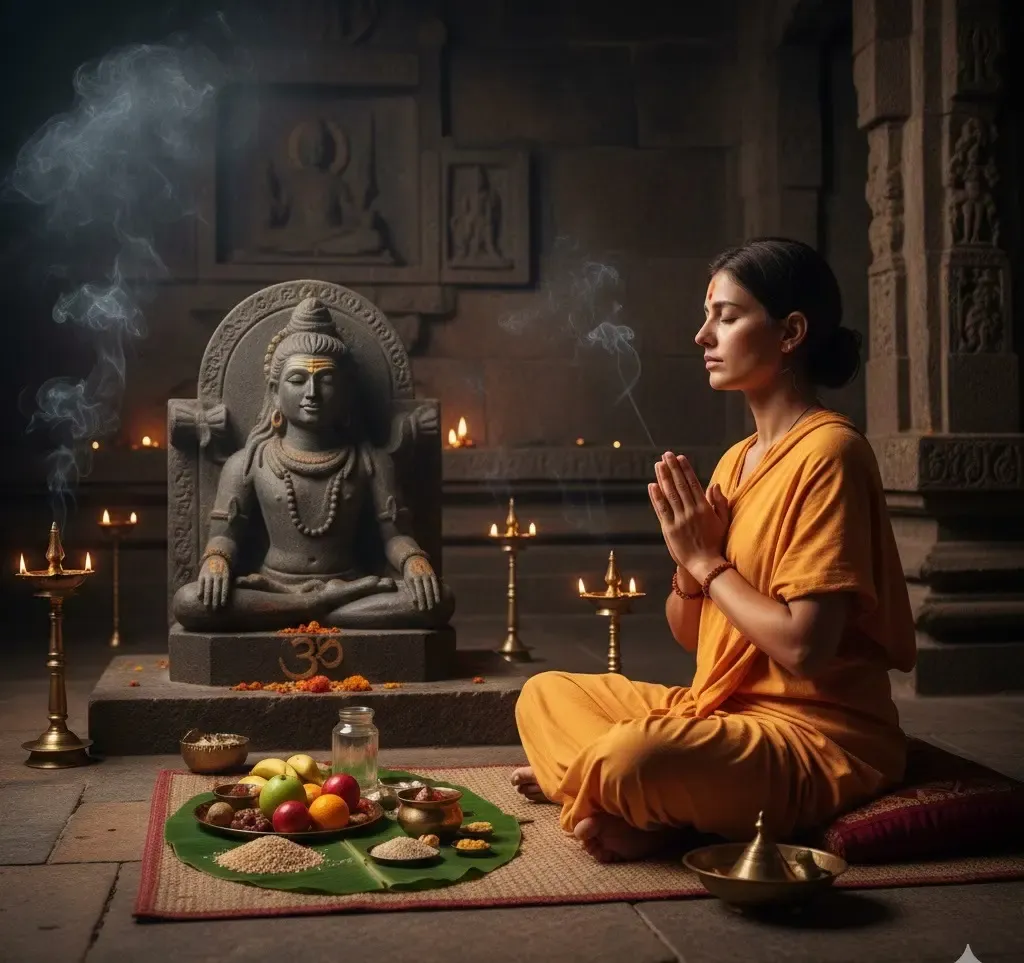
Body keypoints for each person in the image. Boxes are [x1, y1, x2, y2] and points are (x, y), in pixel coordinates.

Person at [512, 237, 916, 863]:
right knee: (544, 694)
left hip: (812, 736)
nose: (703, 335)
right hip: (719, 714)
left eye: (726, 317)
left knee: (632, 757)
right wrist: (686, 564)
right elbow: (692, 637)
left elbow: (804, 649)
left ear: (790, 334)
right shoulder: (735, 461)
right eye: (708, 317)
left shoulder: (831, 454)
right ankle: (627, 797)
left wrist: (707, 560)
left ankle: (619, 792)